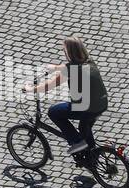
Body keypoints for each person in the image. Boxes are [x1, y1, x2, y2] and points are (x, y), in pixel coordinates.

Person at [31, 38, 108, 169]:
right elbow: (66, 67)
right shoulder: (89, 62)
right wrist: (54, 67)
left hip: (86, 108)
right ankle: (92, 158)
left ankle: (77, 142)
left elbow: (50, 85)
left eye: (64, 50)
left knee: (54, 112)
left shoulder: (71, 70)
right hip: (101, 105)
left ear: (69, 53)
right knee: (84, 127)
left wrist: (31, 89)